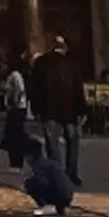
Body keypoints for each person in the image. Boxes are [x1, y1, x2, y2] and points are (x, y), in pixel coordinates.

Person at [29, 34, 83, 187]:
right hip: (70, 111)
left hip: (49, 110)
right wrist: (81, 110)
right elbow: (78, 89)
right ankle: (71, 173)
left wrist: (36, 109)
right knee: (72, 142)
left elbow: (34, 89)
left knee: (52, 144)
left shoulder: (41, 63)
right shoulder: (72, 64)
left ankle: (57, 174)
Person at [23, 134, 74, 217]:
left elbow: (41, 182)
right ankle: (60, 207)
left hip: (59, 194)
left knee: (30, 183)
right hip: (67, 195)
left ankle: (48, 205)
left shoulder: (39, 165)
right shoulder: (48, 162)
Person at [0, 61, 29, 170]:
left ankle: (17, 162)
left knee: (16, 134)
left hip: (17, 109)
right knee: (12, 134)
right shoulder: (10, 76)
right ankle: (13, 161)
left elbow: (20, 90)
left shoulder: (15, 75)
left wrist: (14, 103)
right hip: (14, 108)